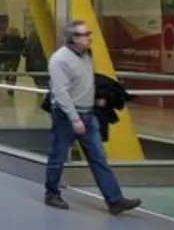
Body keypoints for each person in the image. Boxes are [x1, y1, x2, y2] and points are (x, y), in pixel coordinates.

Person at [43, 20, 140, 215]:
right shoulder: (59, 60)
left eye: (89, 33)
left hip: (88, 113)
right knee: (58, 156)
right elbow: (60, 92)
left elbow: (87, 82)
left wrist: (96, 100)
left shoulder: (87, 55)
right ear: (73, 38)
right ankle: (51, 193)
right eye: (84, 34)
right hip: (66, 116)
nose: (89, 37)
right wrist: (74, 119)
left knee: (98, 157)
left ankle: (114, 200)